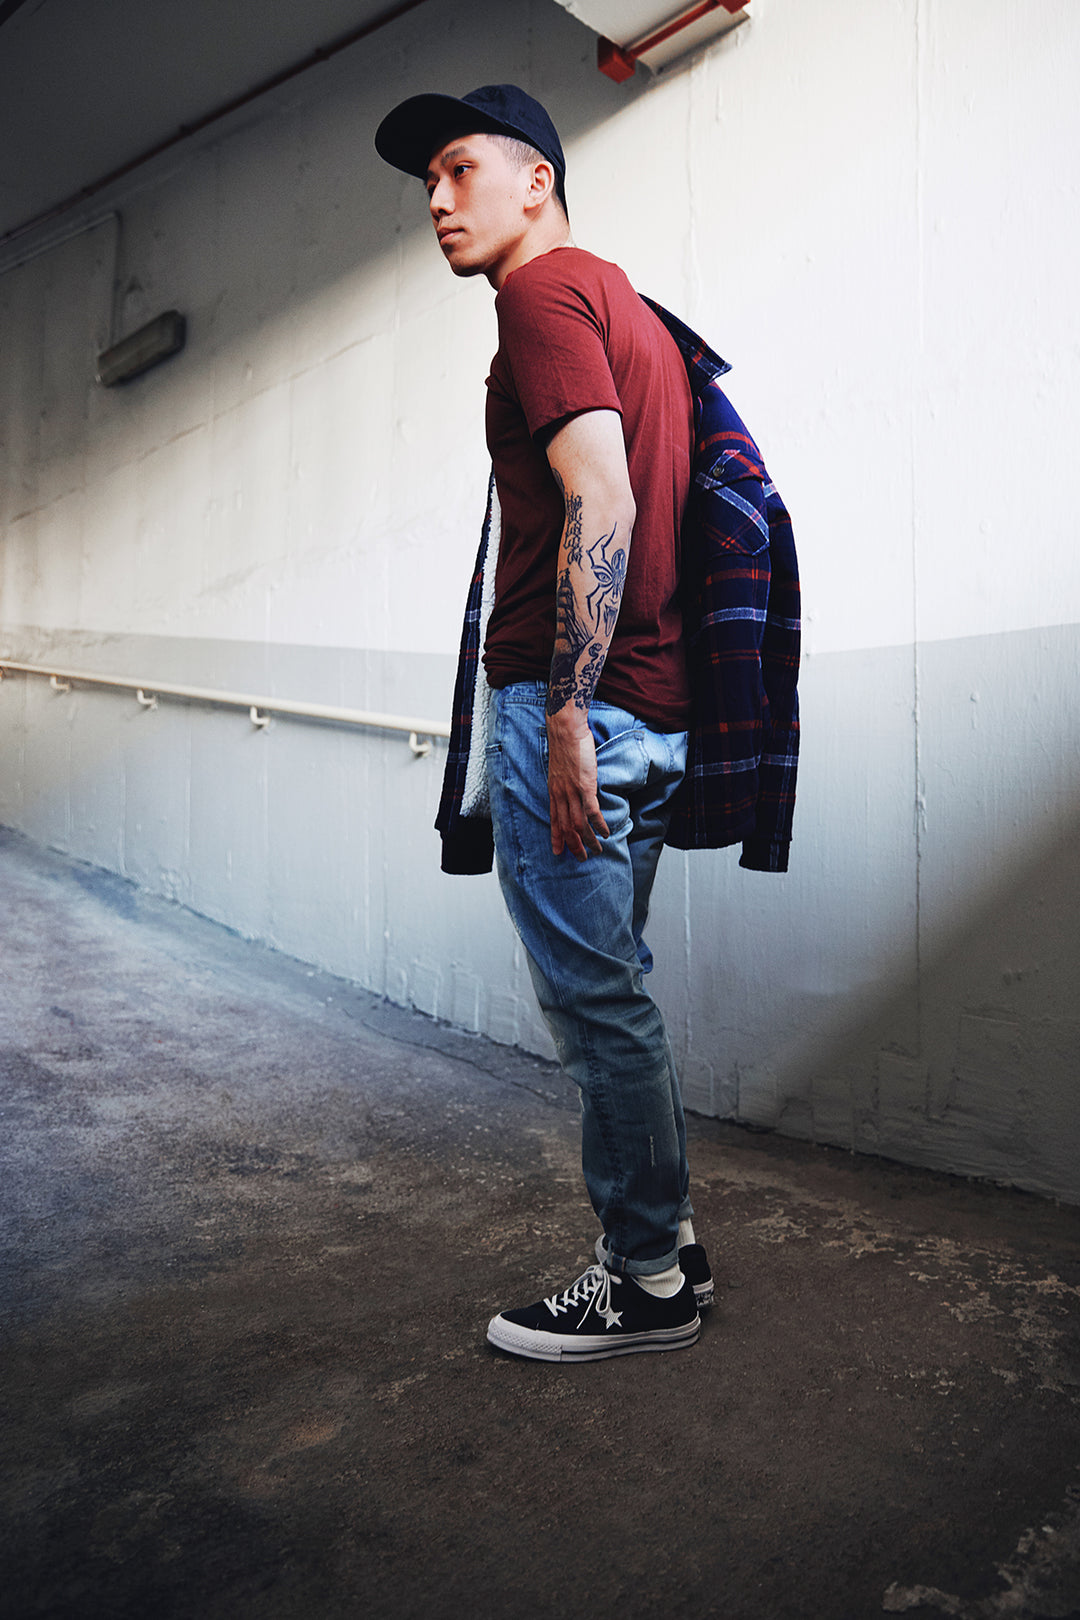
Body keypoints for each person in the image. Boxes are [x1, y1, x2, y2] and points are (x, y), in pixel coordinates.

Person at [375, 84, 797, 1363]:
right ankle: (672, 1248)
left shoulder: (543, 297)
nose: (437, 200)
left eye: (459, 169)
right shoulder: (635, 314)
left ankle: (644, 1277)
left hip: (581, 711)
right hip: (655, 714)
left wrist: (562, 711)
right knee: (617, 995)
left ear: (537, 180)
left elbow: (601, 502)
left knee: (596, 1007)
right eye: (427, 182)